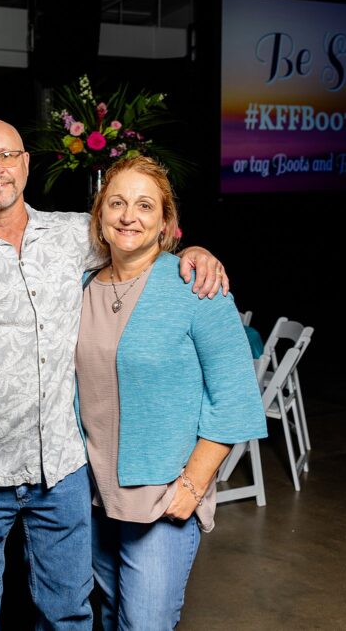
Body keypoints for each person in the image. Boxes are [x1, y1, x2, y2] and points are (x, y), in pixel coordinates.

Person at [0, 118, 228, 630]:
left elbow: (139, 242)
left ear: (25, 164)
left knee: (69, 613)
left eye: (7, 155)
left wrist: (193, 252)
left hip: (62, 473)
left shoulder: (74, 234)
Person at [76, 156, 267, 630]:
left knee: (143, 623)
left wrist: (193, 486)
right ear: (99, 214)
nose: (128, 216)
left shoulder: (196, 287)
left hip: (160, 498)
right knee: (105, 614)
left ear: (166, 222)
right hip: (89, 495)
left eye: (145, 205)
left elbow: (237, 396)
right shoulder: (81, 287)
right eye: (117, 203)